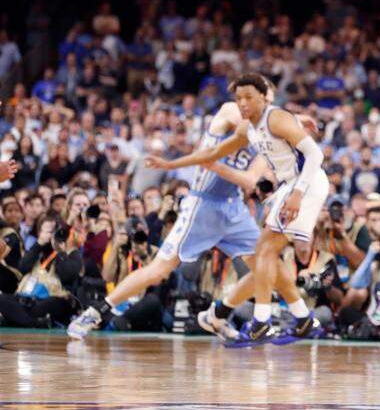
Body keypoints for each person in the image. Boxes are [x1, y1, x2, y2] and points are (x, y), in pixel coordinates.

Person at [142, 73, 330, 347]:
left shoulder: (276, 117)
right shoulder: (248, 129)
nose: (242, 103)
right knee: (264, 250)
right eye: (238, 98)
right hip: (291, 185)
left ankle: (263, 323)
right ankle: (299, 319)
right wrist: (170, 165)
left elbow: (316, 155)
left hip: (306, 183)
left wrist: (298, 194)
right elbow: (210, 154)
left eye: (249, 97)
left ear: (264, 97)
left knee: (264, 251)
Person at [66, 100, 274, 340]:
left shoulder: (266, 141)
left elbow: (250, 181)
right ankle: (95, 312)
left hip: (233, 208)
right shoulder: (232, 112)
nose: (267, 106)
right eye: (263, 99)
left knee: (266, 266)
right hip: (203, 204)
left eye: (270, 103)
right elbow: (249, 126)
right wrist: (288, 125)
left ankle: (217, 315)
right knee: (159, 271)